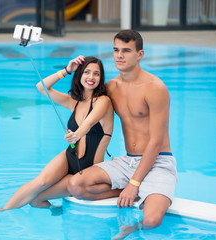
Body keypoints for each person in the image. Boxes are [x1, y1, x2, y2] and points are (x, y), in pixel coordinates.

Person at [67, 30, 178, 239]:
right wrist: (69, 70)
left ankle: (134, 216)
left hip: (157, 162)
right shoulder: (110, 87)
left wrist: (134, 183)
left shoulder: (155, 88)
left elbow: (156, 142)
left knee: (152, 220)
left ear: (140, 54)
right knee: (77, 186)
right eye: (116, 50)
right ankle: (128, 191)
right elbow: (77, 100)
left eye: (126, 51)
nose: (119, 55)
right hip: (128, 162)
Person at [0, 56, 114, 220]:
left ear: (101, 79)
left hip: (89, 168)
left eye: (96, 74)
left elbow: (88, 123)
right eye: (87, 72)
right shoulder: (74, 102)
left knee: (37, 197)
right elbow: (41, 87)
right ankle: (3, 210)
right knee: (38, 187)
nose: (91, 77)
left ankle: (62, 213)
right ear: (79, 74)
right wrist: (66, 70)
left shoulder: (103, 101)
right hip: (70, 157)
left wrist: (76, 135)